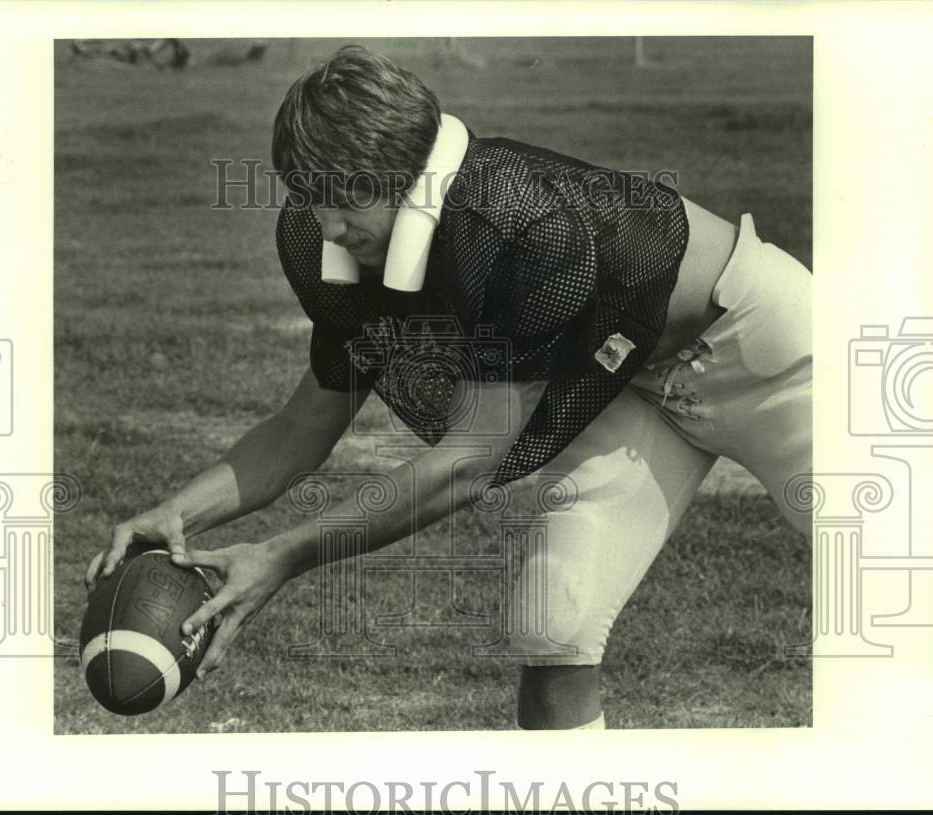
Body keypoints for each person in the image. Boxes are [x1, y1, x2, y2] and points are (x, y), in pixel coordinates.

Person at [84, 45, 811, 730]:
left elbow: (467, 464)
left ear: (409, 174)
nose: (328, 225)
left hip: (758, 347)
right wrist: (177, 512)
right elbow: (306, 422)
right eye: (311, 196)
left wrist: (285, 555)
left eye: (348, 197)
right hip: (622, 388)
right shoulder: (323, 237)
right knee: (554, 622)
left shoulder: (521, 221)